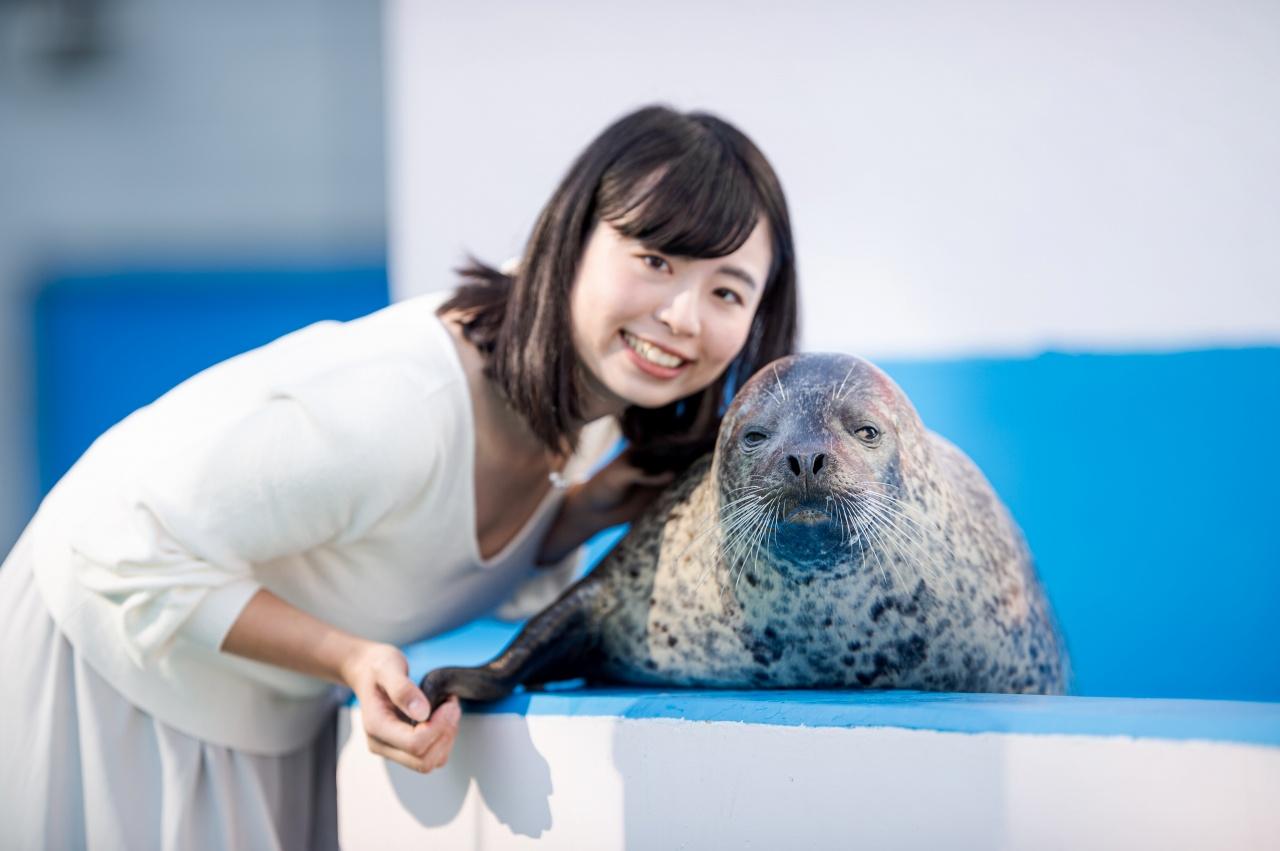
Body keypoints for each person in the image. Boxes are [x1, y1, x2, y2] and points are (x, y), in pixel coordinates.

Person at [0, 104, 798, 848]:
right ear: (572, 237)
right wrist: (347, 655)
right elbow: (108, 529)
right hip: (107, 693)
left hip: (252, 721)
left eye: (726, 290)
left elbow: (426, 545)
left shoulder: (587, 420)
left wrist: (576, 517)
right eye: (655, 258)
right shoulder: (400, 403)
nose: (684, 316)